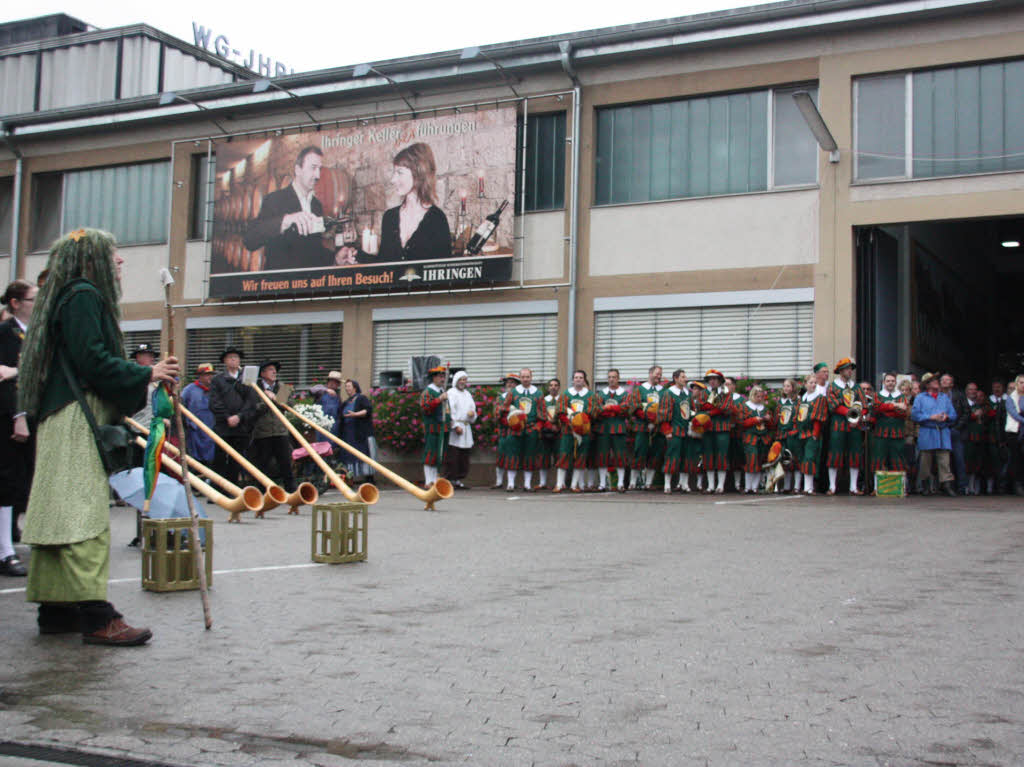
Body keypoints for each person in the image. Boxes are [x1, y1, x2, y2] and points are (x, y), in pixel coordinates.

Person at [18, 228, 179, 645]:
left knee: (57, 513)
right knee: (82, 514)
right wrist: (148, 372)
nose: (120, 262)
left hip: (62, 415)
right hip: (77, 416)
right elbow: (93, 360)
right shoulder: (85, 294)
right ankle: (95, 615)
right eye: (113, 256)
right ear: (91, 261)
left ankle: (56, 611)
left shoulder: (66, 295)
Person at [346, 142, 452, 264]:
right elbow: (385, 266)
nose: (392, 179)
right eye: (394, 172)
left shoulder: (437, 220)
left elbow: (444, 272)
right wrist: (359, 257)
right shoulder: (389, 217)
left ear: (418, 173)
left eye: (399, 172)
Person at [243, 146, 343, 270]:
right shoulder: (275, 199)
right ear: (298, 170)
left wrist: (335, 258)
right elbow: (250, 241)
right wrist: (286, 220)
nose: (317, 175)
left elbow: (313, 250)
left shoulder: (316, 205)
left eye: (319, 169)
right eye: (313, 168)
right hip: (281, 284)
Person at [0, 280, 37, 576]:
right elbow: (6, 380)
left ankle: (12, 538)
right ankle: (5, 552)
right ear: (15, 302)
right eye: (32, 299)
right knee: (7, 483)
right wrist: (19, 414)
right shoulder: (6, 333)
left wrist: (16, 370)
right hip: (11, 417)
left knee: (23, 482)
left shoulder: (35, 334)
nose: (37, 303)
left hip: (35, 414)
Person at [208, 347, 259, 487]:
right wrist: (227, 417)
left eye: (236, 357)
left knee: (236, 459)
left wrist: (240, 416)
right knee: (219, 458)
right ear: (224, 361)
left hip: (241, 426)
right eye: (230, 357)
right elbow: (214, 402)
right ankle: (216, 489)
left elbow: (252, 401)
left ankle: (233, 488)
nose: (233, 360)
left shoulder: (247, 379)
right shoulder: (217, 379)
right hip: (223, 426)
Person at [248, 361, 296, 494]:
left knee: (285, 462)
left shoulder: (283, 387)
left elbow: (289, 405)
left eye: (275, 370)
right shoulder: (255, 388)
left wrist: (275, 398)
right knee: (263, 463)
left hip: (281, 431)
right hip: (262, 432)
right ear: (262, 374)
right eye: (270, 370)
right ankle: (262, 492)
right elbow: (254, 408)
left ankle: (292, 491)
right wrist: (266, 399)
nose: (274, 372)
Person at [554, 370, 601, 493]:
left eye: (580, 377)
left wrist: (581, 422)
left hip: (583, 431)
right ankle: (559, 484)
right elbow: (560, 411)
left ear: (584, 380)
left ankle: (574, 485)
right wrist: (570, 422)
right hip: (568, 431)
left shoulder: (590, 395)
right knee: (564, 456)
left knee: (580, 458)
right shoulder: (565, 394)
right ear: (573, 379)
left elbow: (593, 412)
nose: (578, 379)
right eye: (576, 377)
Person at [501, 368, 547, 492]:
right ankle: (510, 483)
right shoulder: (514, 392)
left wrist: (538, 427)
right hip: (515, 429)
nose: (525, 379)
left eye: (528, 377)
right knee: (512, 454)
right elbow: (504, 409)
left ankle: (527, 484)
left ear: (531, 377)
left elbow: (543, 413)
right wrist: (510, 421)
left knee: (530, 455)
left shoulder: (538, 393)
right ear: (520, 378)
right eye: (523, 377)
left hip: (531, 429)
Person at [912, 372, 957, 496]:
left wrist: (947, 417)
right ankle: (926, 486)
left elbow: (954, 415)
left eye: (936, 380)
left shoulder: (944, 397)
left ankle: (946, 485)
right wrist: (931, 417)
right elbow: (915, 415)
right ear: (927, 385)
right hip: (927, 431)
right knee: (925, 460)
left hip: (943, 432)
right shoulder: (920, 398)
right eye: (933, 381)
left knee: (944, 460)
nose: (936, 382)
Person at [826, 358, 866, 495]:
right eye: (848, 368)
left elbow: (864, 405)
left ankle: (853, 487)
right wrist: (848, 413)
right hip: (838, 424)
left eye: (851, 368)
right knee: (835, 453)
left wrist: (858, 416)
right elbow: (832, 405)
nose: (850, 371)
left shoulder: (857, 387)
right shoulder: (833, 386)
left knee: (855, 454)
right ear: (841, 370)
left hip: (854, 425)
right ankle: (832, 486)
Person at [657, 369, 697, 494]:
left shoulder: (687, 394)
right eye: (682, 377)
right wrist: (667, 431)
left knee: (687, 458)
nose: (685, 379)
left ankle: (684, 484)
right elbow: (663, 413)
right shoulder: (668, 393)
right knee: (672, 456)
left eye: (685, 376)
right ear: (675, 378)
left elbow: (691, 411)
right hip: (674, 431)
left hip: (687, 431)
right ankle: (667, 484)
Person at [694, 369, 734, 494]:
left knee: (722, 455)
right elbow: (699, 406)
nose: (712, 381)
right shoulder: (704, 393)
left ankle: (720, 485)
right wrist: (715, 408)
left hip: (722, 428)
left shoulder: (726, 393)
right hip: (708, 428)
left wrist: (710, 409)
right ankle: (710, 485)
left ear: (720, 381)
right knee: (708, 455)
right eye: (710, 379)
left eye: (715, 379)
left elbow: (726, 408)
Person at [627, 365, 664, 490]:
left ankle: (648, 483)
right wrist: (647, 418)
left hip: (657, 428)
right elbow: (635, 406)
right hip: (642, 427)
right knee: (639, 452)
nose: (658, 376)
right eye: (656, 373)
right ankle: (633, 481)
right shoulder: (640, 389)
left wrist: (656, 420)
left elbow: (665, 408)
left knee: (655, 454)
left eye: (660, 374)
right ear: (650, 373)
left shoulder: (663, 391)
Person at [795, 367, 830, 495]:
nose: (813, 385)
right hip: (802, 433)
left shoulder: (819, 398)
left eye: (815, 383)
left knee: (810, 458)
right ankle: (805, 485)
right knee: (803, 458)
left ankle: (809, 487)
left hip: (811, 434)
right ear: (805, 384)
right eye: (811, 383)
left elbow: (818, 418)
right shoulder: (803, 398)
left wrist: (815, 434)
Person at [595, 369, 630, 493]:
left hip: (618, 428)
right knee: (602, 456)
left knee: (620, 456)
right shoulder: (601, 394)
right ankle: (603, 483)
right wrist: (613, 410)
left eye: (614, 377)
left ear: (618, 378)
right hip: (603, 429)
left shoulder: (624, 394)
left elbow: (626, 408)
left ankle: (620, 483)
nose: (611, 379)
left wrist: (609, 408)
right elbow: (597, 408)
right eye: (609, 377)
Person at [870, 373, 908, 487]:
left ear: (896, 383)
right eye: (888, 381)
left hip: (897, 434)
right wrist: (895, 406)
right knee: (878, 460)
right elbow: (877, 408)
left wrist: (886, 408)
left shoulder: (901, 396)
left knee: (898, 460)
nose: (890, 383)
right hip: (881, 434)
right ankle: (876, 487)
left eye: (892, 381)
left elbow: (903, 413)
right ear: (883, 383)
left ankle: (900, 487)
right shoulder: (878, 395)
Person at [736, 385, 775, 494]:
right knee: (751, 460)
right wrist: (754, 420)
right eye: (757, 396)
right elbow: (741, 423)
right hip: (750, 438)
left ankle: (755, 486)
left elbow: (772, 425)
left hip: (763, 438)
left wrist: (768, 420)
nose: (759, 398)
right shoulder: (745, 407)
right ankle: (748, 486)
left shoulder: (764, 408)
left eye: (761, 396)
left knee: (760, 461)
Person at [338, 379, 375, 484]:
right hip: (348, 433)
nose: (347, 389)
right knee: (349, 455)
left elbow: (367, 410)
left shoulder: (361, 398)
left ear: (355, 387)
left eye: (349, 386)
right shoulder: (346, 402)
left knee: (364, 453)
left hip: (360, 432)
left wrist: (355, 414)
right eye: (346, 387)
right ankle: (350, 478)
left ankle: (369, 478)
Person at [419, 365, 450, 489]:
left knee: (439, 455)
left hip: (443, 428)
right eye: (440, 377)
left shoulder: (443, 391)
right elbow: (425, 407)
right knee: (430, 453)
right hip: (432, 428)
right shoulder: (428, 391)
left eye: (443, 376)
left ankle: (434, 480)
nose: (442, 379)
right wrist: (438, 400)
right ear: (434, 378)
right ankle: (428, 481)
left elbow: (447, 409)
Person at [444, 371, 476, 489]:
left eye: (464, 379)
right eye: (461, 379)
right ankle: (450, 479)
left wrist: (473, 414)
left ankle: (458, 479)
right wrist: (455, 425)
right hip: (457, 428)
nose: (463, 382)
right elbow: (450, 411)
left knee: (464, 456)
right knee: (454, 455)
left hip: (466, 427)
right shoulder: (451, 393)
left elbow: (473, 407)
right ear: (456, 380)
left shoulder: (467, 394)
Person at [180, 363, 216, 465]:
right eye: (207, 374)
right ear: (200, 376)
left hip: (211, 428)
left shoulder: (215, 389)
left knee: (211, 456)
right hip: (194, 430)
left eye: (211, 374)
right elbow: (181, 406)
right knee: (194, 457)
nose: (210, 377)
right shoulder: (189, 390)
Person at [963, 382, 994, 496]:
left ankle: (974, 486)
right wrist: (973, 416)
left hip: (979, 438)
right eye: (971, 389)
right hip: (967, 437)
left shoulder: (981, 406)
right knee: (967, 462)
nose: (973, 392)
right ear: (966, 391)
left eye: (975, 390)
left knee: (977, 463)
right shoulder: (963, 404)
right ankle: (965, 486)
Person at [940, 373, 969, 495]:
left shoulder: (959, 395)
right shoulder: (937, 396)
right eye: (943, 380)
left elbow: (966, 412)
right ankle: (946, 486)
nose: (945, 382)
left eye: (948, 380)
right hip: (941, 430)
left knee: (959, 459)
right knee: (944, 461)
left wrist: (958, 427)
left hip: (955, 431)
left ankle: (962, 486)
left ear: (952, 383)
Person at [492, 373, 519, 489]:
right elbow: (496, 413)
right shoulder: (500, 397)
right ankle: (499, 482)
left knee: (512, 456)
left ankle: (511, 483)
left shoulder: (518, 397)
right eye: (508, 382)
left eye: (512, 382)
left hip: (514, 431)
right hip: (503, 431)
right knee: (501, 455)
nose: (510, 384)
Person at [775, 379, 800, 493]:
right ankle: (786, 486)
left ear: (793, 388)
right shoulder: (781, 402)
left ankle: (797, 486)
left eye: (788, 386)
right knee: (785, 461)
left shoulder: (797, 401)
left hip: (792, 434)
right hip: (782, 434)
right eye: (784, 386)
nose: (786, 388)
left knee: (795, 459)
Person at [724, 376, 746, 492]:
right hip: (724, 431)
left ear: (734, 386)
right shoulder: (721, 398)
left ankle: (737, 484)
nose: (726, 387)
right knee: (724, 458)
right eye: (724, 384)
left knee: (737, 459)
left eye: (728, 384)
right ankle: (724, 484)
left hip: (736, 433)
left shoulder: (740, 400)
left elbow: (743, 415)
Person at [538, 378, 560, 490]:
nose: (553, 387)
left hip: (559, 433)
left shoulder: (562, 400)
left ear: (559, 387)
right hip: (545, 432)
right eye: (551, 385)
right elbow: (540, 415)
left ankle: (559, 483)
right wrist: (549, 425)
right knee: (543, 458)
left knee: (559, 459)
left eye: (556, 385)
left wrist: (558, 426)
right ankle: (542, 483)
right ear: (548, 387)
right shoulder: (543, 400)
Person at [1004, 374, 1024, 496]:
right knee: (1015, 459)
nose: (1023, 385)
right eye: (1021, 382)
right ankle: (1016, 484)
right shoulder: (1011, 398)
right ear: (1016, 384)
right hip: (1014, 432)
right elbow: (1014, 414)